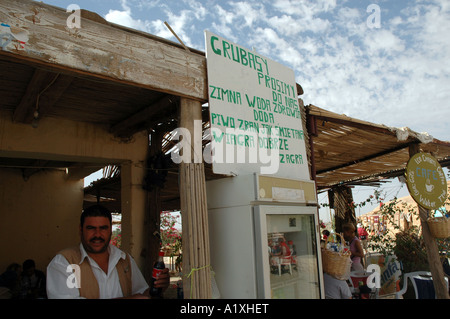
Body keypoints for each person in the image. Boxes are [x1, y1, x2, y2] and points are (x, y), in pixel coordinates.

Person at [46, 204, 170, 299]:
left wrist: (158, 287)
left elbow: (142, 294)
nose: (97, 235)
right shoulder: (65, 262)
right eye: (91, 228)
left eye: (103, 228)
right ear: (80, 229)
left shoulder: (124, 260)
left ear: (111, 229)